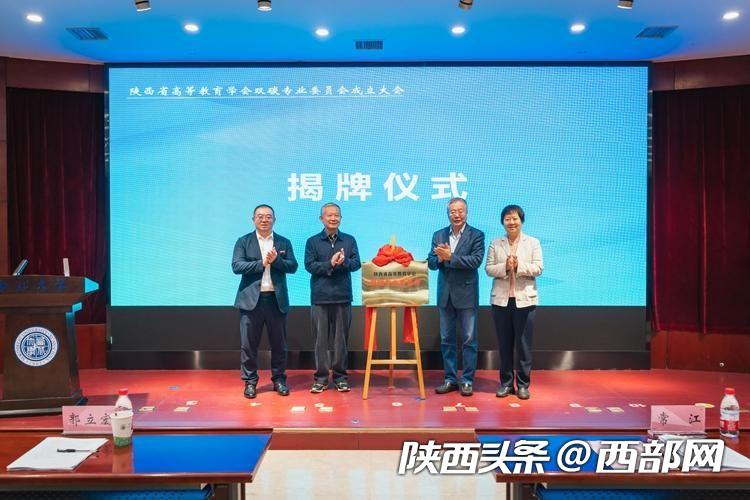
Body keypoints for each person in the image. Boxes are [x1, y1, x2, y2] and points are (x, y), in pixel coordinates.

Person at [232, 204, 298, 399]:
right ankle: (250, 382)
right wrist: (261, 263)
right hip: (251, 301)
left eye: (268, 216)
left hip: (276, 300)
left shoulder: (283, 242)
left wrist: (276, 261)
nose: (264, 220)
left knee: (279, 345)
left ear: (274, 220)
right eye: (260, 216)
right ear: (253, 219)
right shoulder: (243, 241)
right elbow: (237, 266)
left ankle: (279, 380)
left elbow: (293, 266)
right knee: (248, 345)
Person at [428, 197, 485, 397]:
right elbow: (431, 263)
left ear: (466, 213)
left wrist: (451, 257)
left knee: (469, 339)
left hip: (467, 294)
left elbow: (476, 261)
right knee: (446, 339)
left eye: (460, 211)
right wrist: (439, 258)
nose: (457, 215)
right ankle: (450, 379)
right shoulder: (439, 234)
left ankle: (467, 380)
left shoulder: (476, 235)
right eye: (453, 211)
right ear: (448, 213)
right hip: (445, 295)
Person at [485, 204, 543, 400]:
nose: (511, 222)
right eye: (507, 219)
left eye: (515, 218)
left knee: (524, 346)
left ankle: (523, 385)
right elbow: (489, 269)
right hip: (501, 301)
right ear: (502, 222)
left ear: (521, 220)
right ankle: (506, 384)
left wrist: (518, 266)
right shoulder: (495, 243)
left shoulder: (533, 242)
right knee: (505, 345)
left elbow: (538, 268)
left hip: (525, 301)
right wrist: (505, 266)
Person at [304, 202, 361, 393]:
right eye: (329, 215)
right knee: (320, 341)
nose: (333, 218)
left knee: (340, 341)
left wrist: (343, 262)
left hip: (342, 297)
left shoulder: (349, 240)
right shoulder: (312, 241)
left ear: (341, 218)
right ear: (321, 218)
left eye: (336, 215)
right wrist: (330, 263)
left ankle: (340, 377)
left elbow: (356, 264)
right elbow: (310, 266)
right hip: (320, 297)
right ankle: (320, 378)